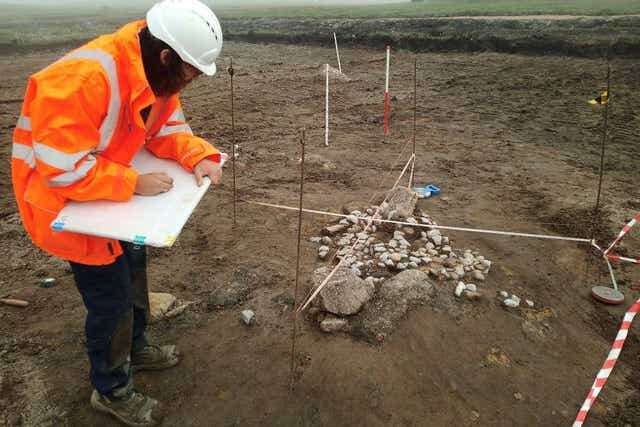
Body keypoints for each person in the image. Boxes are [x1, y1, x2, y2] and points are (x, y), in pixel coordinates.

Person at [10, 1, 224, 425]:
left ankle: (137, 347)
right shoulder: (83, 80)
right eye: (190, 73)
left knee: (135, 273)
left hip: (111, 205)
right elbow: (62, 169)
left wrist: (197, 154)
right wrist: (131, 183)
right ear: (167, 57)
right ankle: (110, 388)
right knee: (110, 303)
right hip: (71, 208)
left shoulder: (152, 76)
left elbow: (168, 130)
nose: (191, 82)